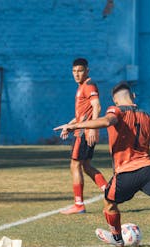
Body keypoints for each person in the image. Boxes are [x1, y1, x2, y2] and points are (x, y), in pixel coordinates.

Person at [54, 82, 150, 247]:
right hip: (148, 171)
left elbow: (106, 121)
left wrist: (74, 126)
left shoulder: (116, 111)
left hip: (126, 172)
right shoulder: (149, 118)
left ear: (116, 101)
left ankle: (117, 240)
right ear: (133, 97)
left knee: (109, 204)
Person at [58, 58, 108, 215]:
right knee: (86, 166)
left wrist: (92, 129)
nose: (76, 74)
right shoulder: (81, 87)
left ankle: (79, 204)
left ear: (87, 71)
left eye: (80, 71)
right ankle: (110, 192)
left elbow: (97, 106)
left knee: (75, 165)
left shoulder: (88, 85)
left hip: (84, 133)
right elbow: (82, 115)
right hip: (83, 130)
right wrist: (69, 125)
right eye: (74, 71)